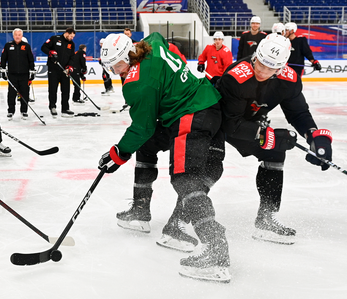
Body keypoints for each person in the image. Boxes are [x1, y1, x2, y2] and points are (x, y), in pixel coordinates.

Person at [98, 32, 230, 282]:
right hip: (209, 105)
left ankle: (216, 249)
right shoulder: (151, 43)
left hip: (191, 115)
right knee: (149, 146)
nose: (116, 72)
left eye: (118, 65)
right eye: (111, 67)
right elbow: (166, 43)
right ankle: (141, 211)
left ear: (129, 55)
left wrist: (118, 154)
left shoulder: (138, 84)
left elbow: (142, 127)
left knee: (184, 178)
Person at [215, 33, 332, 245]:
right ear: (255, 55)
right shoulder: (236, 76)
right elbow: (229, 123)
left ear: (281, 68)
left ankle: (266, 219)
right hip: (216, 122)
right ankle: (183, 215)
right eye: (259, 63)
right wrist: (265, 134)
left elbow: (298, 113)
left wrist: (313, 135)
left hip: (247, 122)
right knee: (207, 166)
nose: (261, 71)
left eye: (270, 68)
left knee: (275, 151)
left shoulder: (289, 80)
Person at [0, 28, 35, 120]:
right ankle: (11, 111)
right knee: (11, 93)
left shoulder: (26, 46)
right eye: (16, 35)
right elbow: (3, 58)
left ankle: (24, 111)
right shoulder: (8, 45)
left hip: (24, 74)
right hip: (12, 74)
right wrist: (2, 69)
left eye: (19, 35)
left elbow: (31, 59)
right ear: (13, 36)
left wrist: (32, 70)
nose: (18, 36)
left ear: (22, 36)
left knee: (24, 93)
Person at [41, 27, 76, 117]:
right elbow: (43, 47)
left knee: (66, 90)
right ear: (67, 33)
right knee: (53, 89)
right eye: (71, 36)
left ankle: (65, 108)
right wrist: (50, 52)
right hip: (53, 69)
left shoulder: (71, 44)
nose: (72, 38)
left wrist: (70, 67)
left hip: (65, 71)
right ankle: (52, 107)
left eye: (73, 37)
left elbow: (72, 57)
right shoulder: (55, 39)